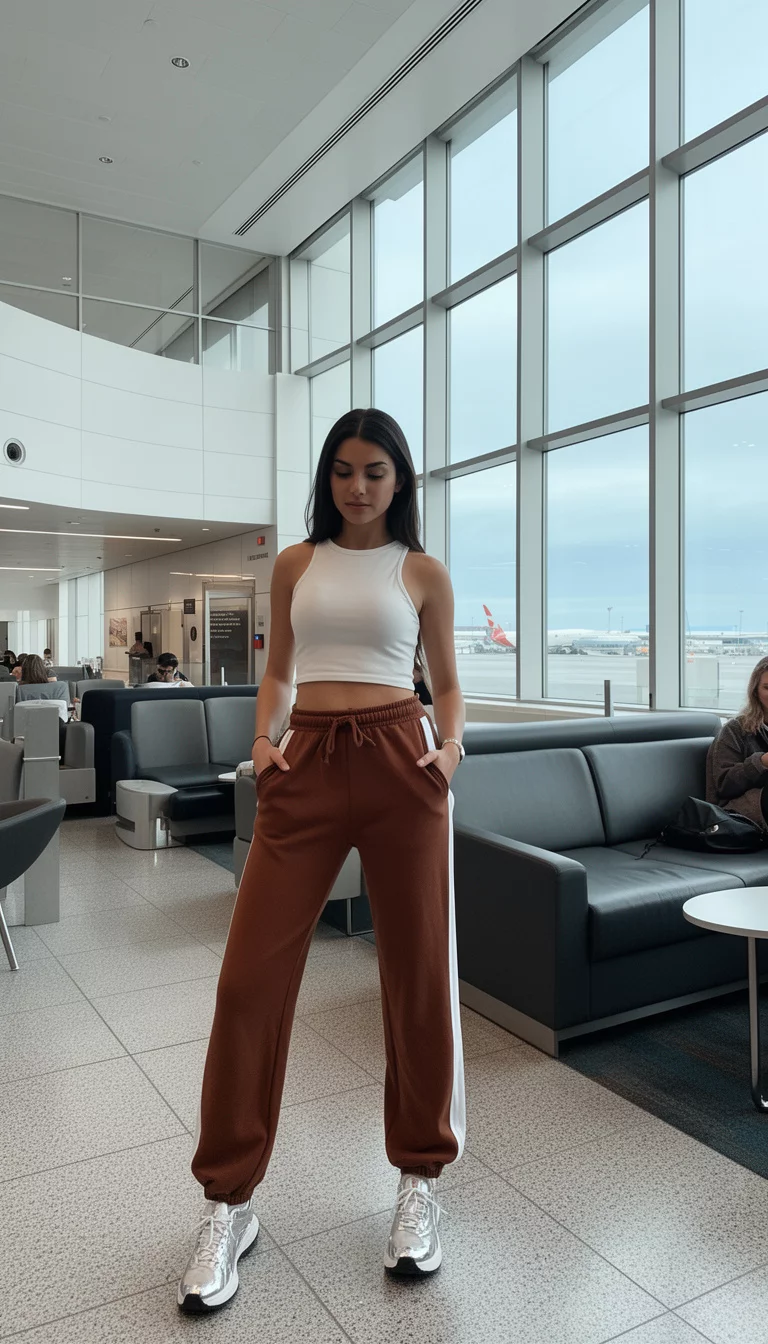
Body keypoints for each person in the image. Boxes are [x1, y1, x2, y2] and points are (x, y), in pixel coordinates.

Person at [179, 408, 466, 1313]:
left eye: (376, 471)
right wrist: (262, 742)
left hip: (399, 760)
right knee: (247, 985)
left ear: (400, 479)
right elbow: (279, 671)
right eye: (343, 470)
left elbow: (449, 684)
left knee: (416, 978)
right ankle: (229, 1202)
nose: (358, 487)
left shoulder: (422, 572)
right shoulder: (296, 565)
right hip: (303, 761)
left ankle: (419, 1181)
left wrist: (449, 751)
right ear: (326, 477)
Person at [707, 655, 768, 829]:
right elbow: (723, 786)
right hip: (740, 811)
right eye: (767, 687)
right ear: (755, 691)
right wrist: (761, 762)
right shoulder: (735, 730)